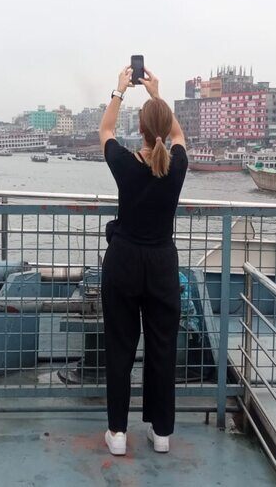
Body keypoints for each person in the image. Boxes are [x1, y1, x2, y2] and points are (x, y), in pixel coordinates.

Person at [98, 65, 188, 456]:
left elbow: (105, 132)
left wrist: (120, 91)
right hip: (162, 265)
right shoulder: (177, 166)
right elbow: (179, 135)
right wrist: (156, 96)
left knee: (120, 345)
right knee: (162, 346)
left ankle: (118, 433)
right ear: (164, 126)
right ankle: (161, 431)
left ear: (141, 129)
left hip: (123, 262)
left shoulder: (125, 163)